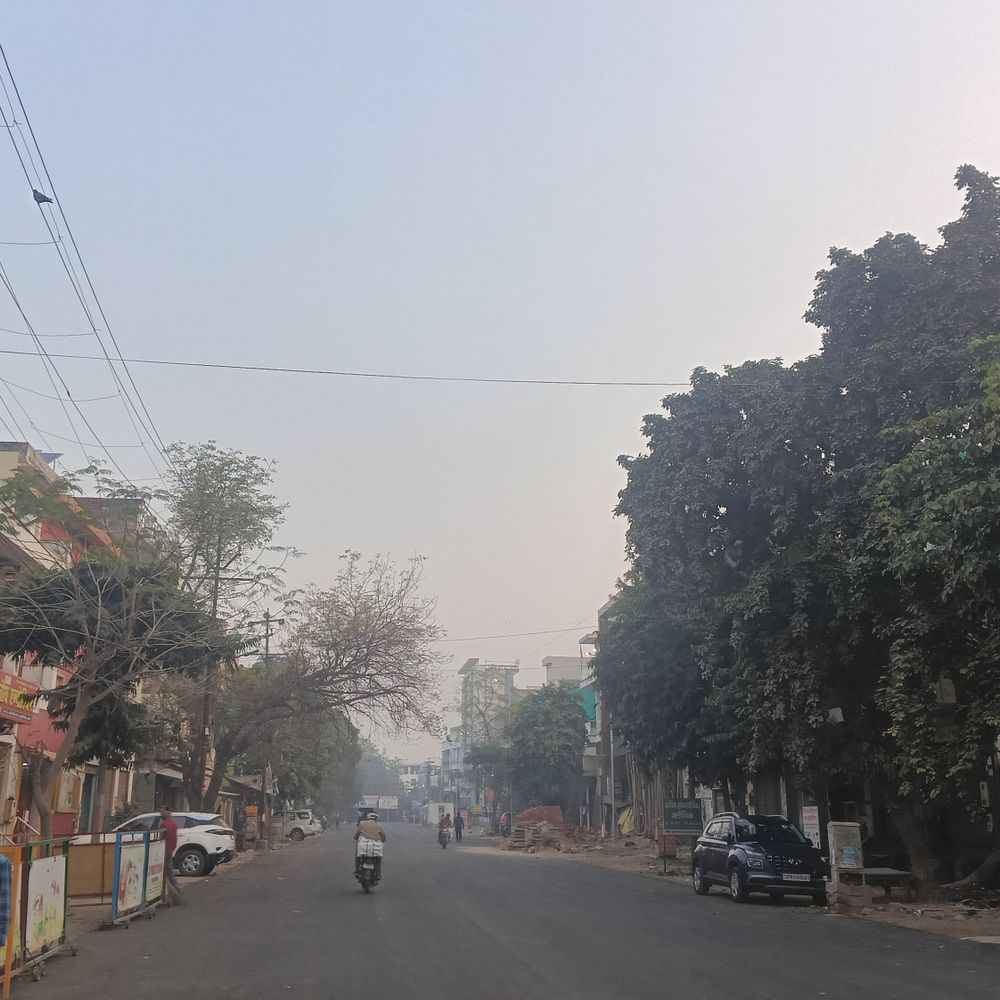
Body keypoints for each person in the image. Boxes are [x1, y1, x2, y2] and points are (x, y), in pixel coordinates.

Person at [160, 805, 183, 905]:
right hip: (170, 851)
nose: (160, 814)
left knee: (167, 872)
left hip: (165, 851)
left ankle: (174, 891)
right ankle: (175, 890)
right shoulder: (173, 824)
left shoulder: (165, 825)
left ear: (167, 813)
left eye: (162, 812)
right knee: (169, 872)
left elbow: (161, 839)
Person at [353, 811, 387, 877]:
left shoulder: (362, 823)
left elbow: (357, 834)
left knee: (358, 856)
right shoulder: (379, 825)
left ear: (368, 818)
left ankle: (357, 870)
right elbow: (383, 836)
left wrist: (355, 838)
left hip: (363, 846)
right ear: (376, 818)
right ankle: (378, 873)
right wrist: (383, 840)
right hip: (375, 847)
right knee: (378, 858)